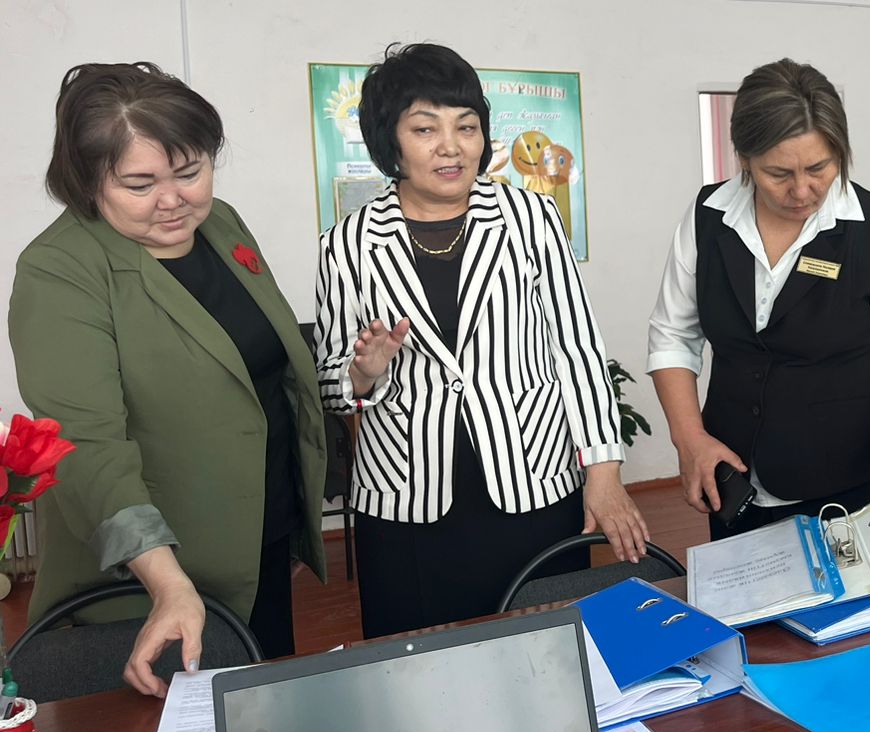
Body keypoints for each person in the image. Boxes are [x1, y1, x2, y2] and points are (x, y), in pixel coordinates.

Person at [9, 62, 326, 694]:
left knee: (261, 717)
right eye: (140, 183)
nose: (174, 199)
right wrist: (168, 582)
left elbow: (262, 370)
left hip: (259, 536)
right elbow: (87, 447)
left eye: (189, 172)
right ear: (87, 179)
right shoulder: (60, 269)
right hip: (156, 572)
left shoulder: (222, 224)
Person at [314, 43, 647, 639]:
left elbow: (576, 347)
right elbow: (331, 384)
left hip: (532, 479)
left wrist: (603, 471)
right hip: (405, 496)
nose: (451, 146)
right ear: (390, 142)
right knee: (419, 660)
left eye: (466, 127)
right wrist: (364, 372)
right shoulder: (348, 243)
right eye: (426, 129)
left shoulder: (531, 218)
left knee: (546, 648)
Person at [646, 58, 870, 537]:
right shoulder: (708, 218)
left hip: (849, 486)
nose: (802, 190)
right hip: (733, 484)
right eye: (778, 173)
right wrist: (689, 439)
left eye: (819, 168)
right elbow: (672, 337)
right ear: (744, 159)